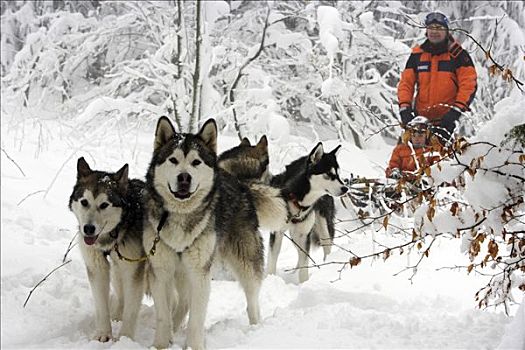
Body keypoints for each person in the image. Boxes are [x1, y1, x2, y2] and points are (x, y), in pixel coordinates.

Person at [398, 12, 477, 142]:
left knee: (441, 161)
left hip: (447, 121)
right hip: (420, 121)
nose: (435, 32)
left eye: (439, 28)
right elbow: (406, 83)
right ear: (426, 31)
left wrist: (456, 111)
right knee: (407, 158)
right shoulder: (417, 55)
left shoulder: (458, 55)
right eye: (431, 28)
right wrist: (405, 108)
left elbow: (469, 84)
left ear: (447, 31)